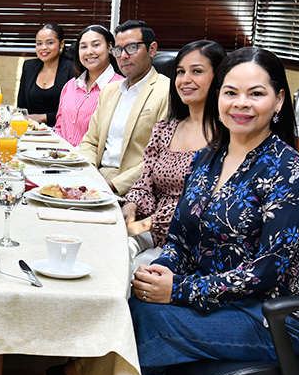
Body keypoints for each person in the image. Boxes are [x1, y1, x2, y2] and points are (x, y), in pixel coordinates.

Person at [47, 46, 299, 375]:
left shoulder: (289, 171)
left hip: (268, 317)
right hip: (212, 304)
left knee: (143, 328)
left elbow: (268, 271)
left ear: (280, 101)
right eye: (231, 92)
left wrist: (181, 289)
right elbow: (183, 239)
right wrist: (160, 268)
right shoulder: (208, 159)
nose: (241, 103)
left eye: (256, 93)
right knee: (130, 301)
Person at [122, 40, 226, 269]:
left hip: (189, 241)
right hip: (148, 229)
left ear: (218, 77)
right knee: (105, 252)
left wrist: (142, 226)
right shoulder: (165, 128)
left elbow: (197, 205)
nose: (185, 79)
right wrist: (131, 205)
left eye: (196, 71)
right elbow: (145, 180)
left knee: (128, 270)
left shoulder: (227, 138)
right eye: (180, 72)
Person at [78, 20, 169, 195]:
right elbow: (90, 140)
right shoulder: (110, 90)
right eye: (118, 50)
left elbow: (159, 157)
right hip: (95, 178)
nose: (123, 56)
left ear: (152, 49)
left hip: (133, 187)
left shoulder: (166, 92)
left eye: (132, 48)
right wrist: (88, 173)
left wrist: (113, 185)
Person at [52, 25, 123, 145]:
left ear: (110, 47)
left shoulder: (120, 88)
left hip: (94, 162)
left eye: (96, 45)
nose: (89, 52)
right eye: (83, 47)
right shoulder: (70, 86)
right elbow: (59, 128)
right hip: (60, 159)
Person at [17, 23, 77, 126]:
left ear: (61, 44)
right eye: (39, 43)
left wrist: (43, 118)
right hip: (31, 130)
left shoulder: (72, 69)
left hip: (60, 130)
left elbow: (73, 112)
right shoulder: (29, 66)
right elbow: (21, 108)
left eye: (49, 43)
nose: (43, 47)